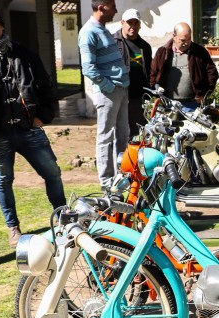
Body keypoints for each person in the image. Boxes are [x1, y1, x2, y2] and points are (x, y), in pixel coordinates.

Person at [0, 4, 66, 247]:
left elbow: (45, 84)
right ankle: (13, 227)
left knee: (52, 172)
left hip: (29, 128)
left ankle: (64, 217)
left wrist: (43, 115)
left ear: (1, 25)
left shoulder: (24, 53)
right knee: (3, 180)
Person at [79, 0, 130, 188]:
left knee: (123, 135)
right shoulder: (88, 32)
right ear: (101, 7)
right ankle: (107, 182)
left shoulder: (103, 29)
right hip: (109, 93)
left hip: (120, 90)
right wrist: (108, 87)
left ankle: (122, 175)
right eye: (113, 6)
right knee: (106, 137)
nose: (116, 11)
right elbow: (88, 68)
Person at [150, 22, 218, 111]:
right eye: (183, 40)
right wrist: (156, 90)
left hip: (193, 105)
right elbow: (153, 74)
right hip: (168, 104)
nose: (186, 43)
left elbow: (212, 73)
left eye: (189, 39)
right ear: (174, 36)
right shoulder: (163, 52)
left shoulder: (199, 52)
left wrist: (204, 94)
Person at [113, 8, 152, 136]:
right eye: (130, 23)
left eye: (136, 23)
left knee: (138, 132)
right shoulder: (112, 43)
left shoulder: (145, 46)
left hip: (138, 97)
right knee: (118, 132)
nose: (133, 26)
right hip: (118, 94)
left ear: (140, 25)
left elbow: (149, 70)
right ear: (122, 22)